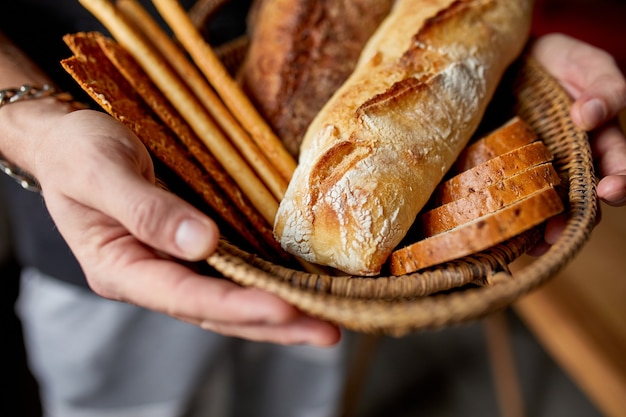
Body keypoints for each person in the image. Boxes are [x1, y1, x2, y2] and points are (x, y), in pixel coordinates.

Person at [1, 0, 625, 416]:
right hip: (88, 168)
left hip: (309, 216)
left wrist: (511, 45)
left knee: (296, 396)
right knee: (126, 399)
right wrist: (29, 121)